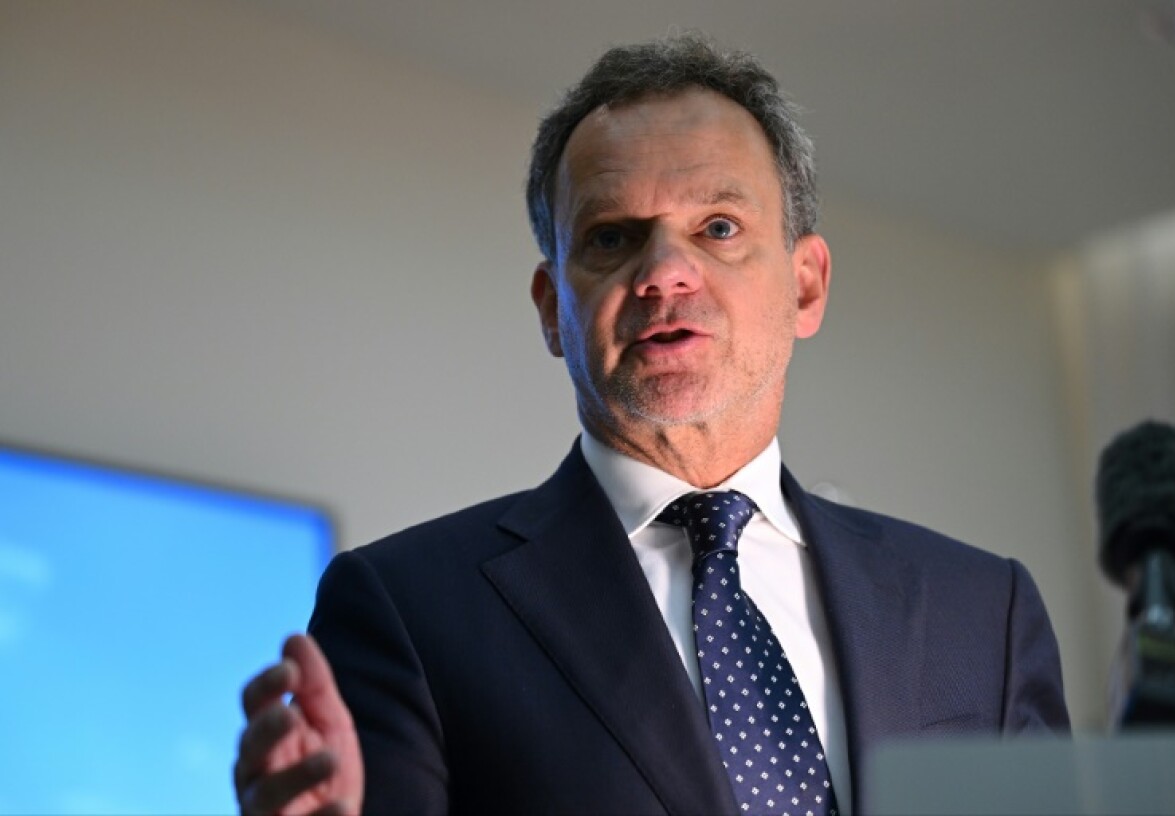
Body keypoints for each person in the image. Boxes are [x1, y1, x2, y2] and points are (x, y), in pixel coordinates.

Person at [233, 33, 1069, 816]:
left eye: (718, 227)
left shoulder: (981, 612)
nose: (665, 272)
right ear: (553, 311)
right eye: (611, 237)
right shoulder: (411, 610)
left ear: (806, 286)